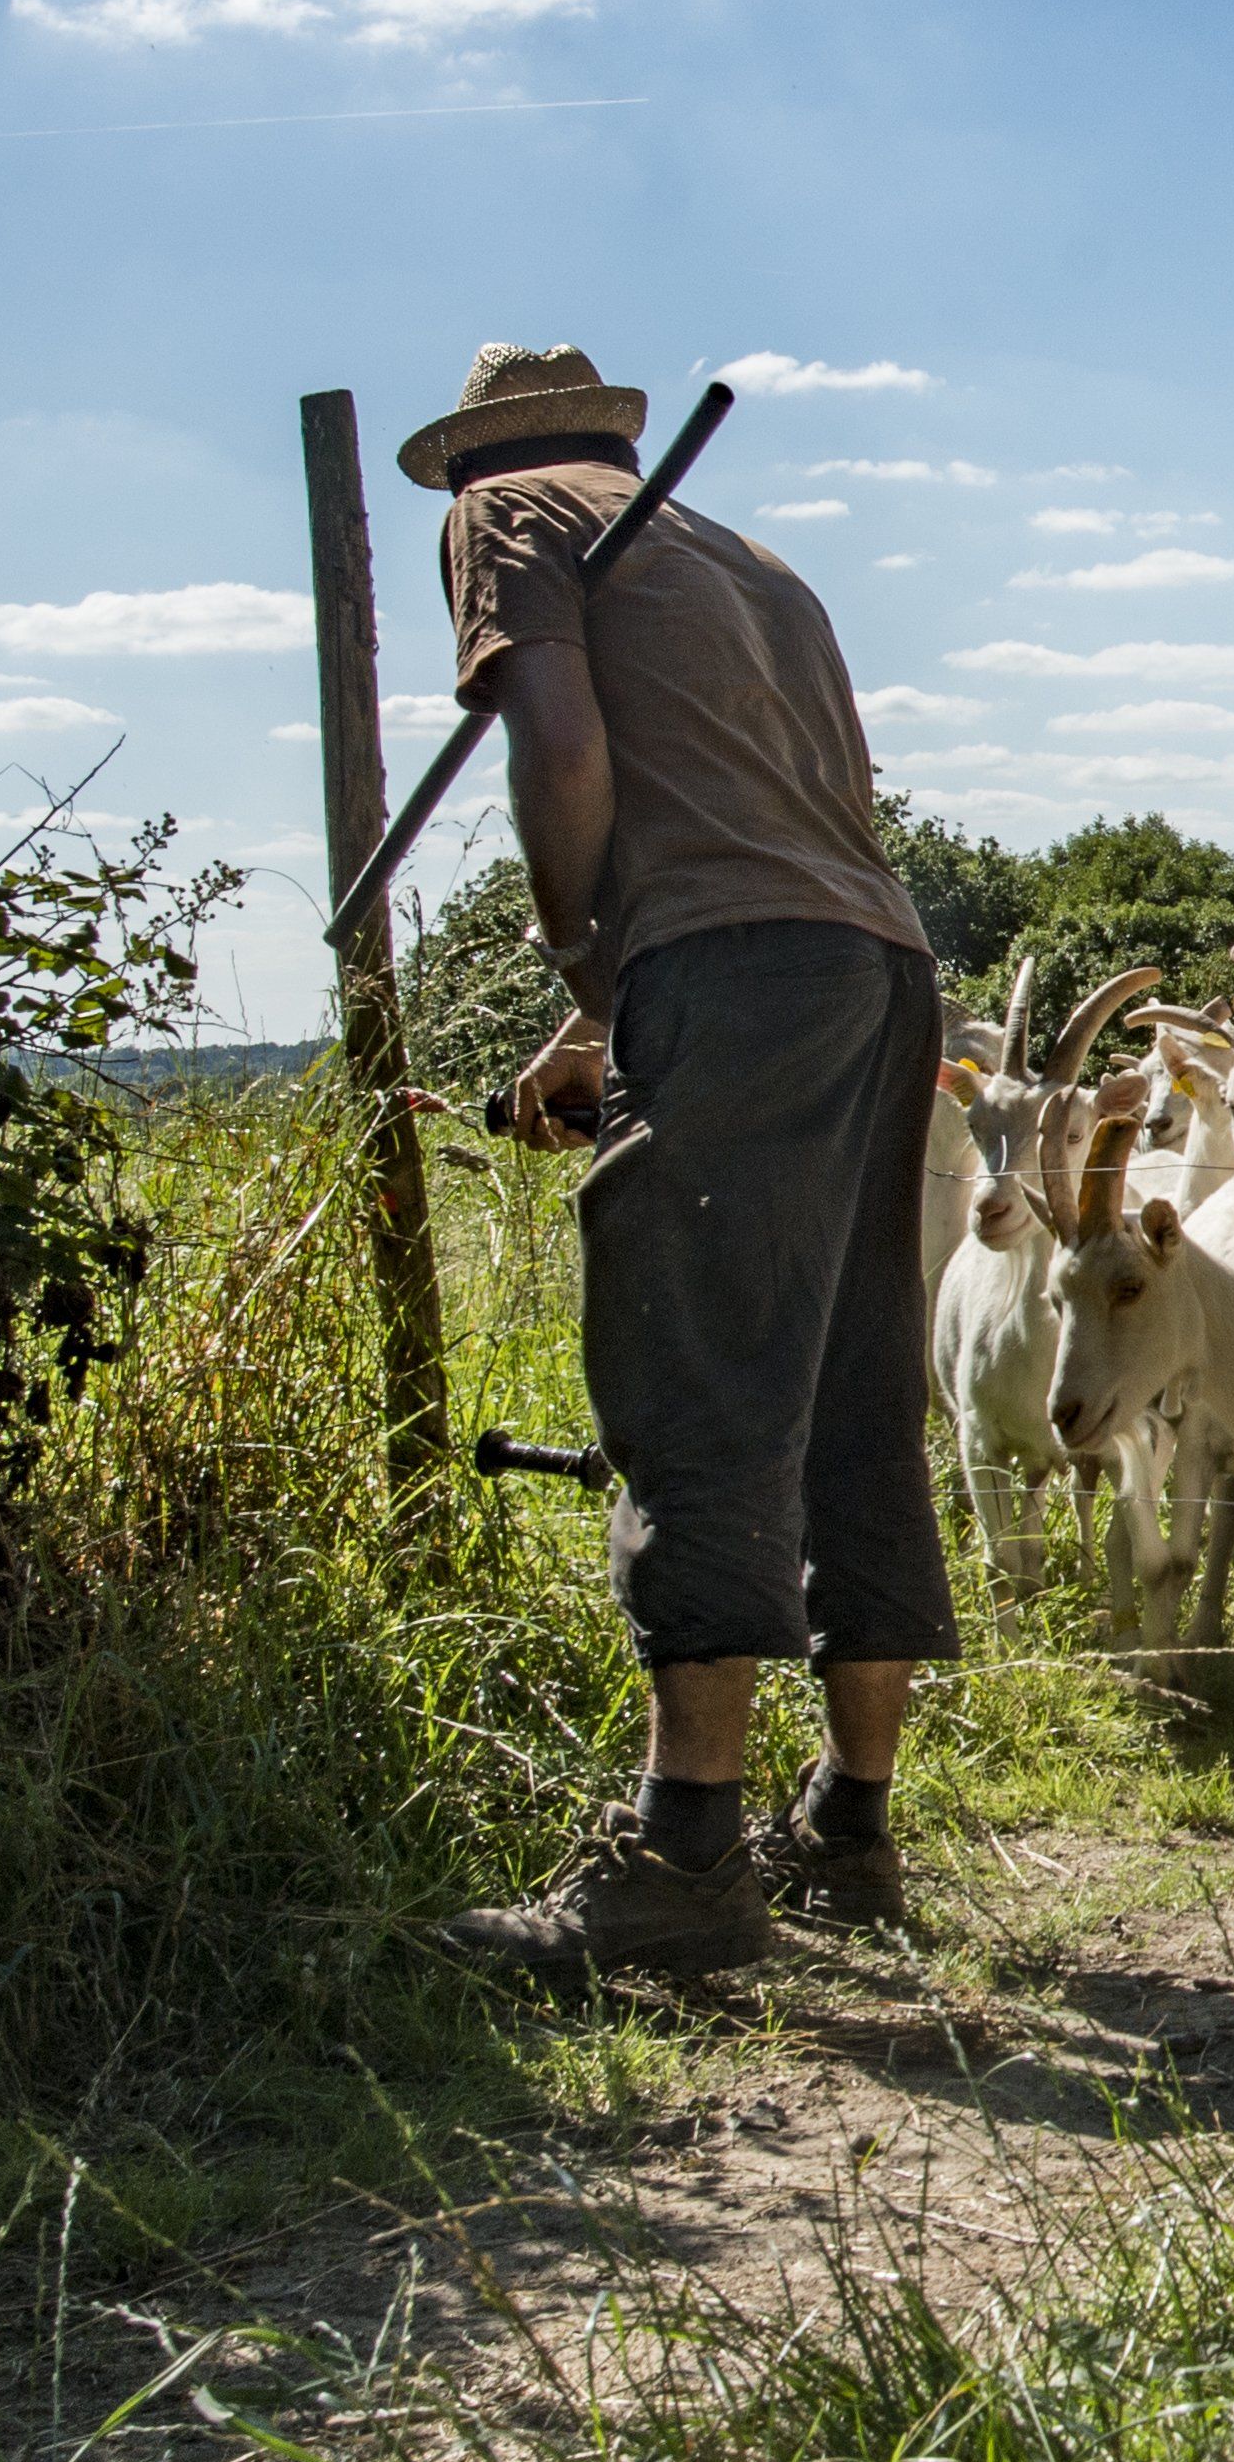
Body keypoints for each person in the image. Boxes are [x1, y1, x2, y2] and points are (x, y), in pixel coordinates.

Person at [400, 339, 954, 1973]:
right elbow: (803, 812)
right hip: (874, 963)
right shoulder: (744, 558)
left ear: (478, 454)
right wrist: (614, 1024)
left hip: (729, 970)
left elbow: (563, 749)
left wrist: (589, 956)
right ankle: (850, 1831)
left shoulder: (505, 511)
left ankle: (684, 1863)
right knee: (849, 1377)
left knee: (698, 1375)